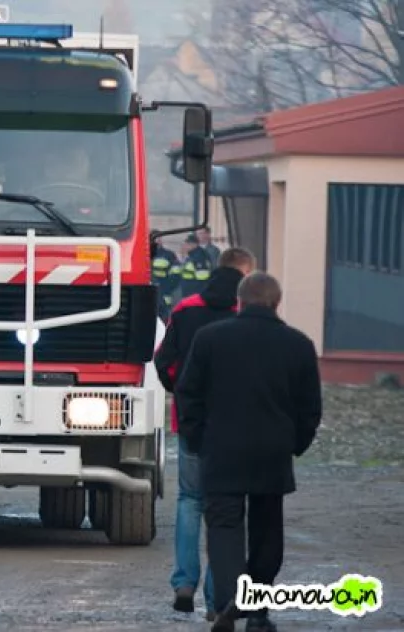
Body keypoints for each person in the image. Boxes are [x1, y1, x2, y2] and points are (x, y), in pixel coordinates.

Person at [175, 272, 322, 632]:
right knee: (267, 530)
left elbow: (187, 392)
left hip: (221, 449)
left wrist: (197, 438)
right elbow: (310, 408)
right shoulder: (298, 345)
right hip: (273, 452)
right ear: (276, 302)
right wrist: (295, 444)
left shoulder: (210, 339)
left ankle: (229, 601)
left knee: (223, 527)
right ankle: (257, 611)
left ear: (238, 301)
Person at [154, 246, 257, 622]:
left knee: (189, 501)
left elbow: (162, 360)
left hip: (191, 423)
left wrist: (181, 391)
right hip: (235, 427)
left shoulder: (184, 309)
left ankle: (183, 582)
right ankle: (217, 599)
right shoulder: (247, 315)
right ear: (246, 274)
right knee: (225, 511)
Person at [151, 235, 182, 322]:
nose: (156, 241)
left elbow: (176, 274)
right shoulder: (143, 253)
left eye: (158, 238)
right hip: (148, 293)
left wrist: (166, 286)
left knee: (164, 318)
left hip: (165, 294)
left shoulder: (169, 255)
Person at [179, 233, 212, 298]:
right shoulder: (191, 255)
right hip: (189, 293)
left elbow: (202, 279)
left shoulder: (200, 256)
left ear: (194, 244)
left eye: (187, 244)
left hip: (194, 294)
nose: (185, 246)